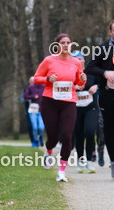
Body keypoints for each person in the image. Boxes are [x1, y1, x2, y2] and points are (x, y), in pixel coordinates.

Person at [34, 33, 87, 182]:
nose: (66, 45)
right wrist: (47, 79)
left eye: (68, 43)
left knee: (67, 135)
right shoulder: (49, 60)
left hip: (69, 101)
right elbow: (36, 78)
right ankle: (49, 150)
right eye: (63, 43)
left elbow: (80, 81)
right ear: (57, 46)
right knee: (53, 137)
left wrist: (83, 79)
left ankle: (62, 171)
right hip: (50, 101)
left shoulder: (76, 62)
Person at [84, 19, 114, 179]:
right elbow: (89, 67)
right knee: (109, 130)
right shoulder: (102, 48)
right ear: (110, 32)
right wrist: (105, 73)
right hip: (107, 94)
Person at [71, 49, 100, 173]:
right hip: (76, 108)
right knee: (79, 135)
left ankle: (89, 162)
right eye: (76, 59)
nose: (78, 61)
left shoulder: (91, 72)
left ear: (83, 60)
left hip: (91, 107)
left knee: (89, 131)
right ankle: (80, 162)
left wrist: (96, 86)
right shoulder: (70, 73)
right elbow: (61, 86)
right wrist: (74, 87)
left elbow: (103, 83)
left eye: (80, 59)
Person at [23, 77, 45, 147]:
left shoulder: (44, 87)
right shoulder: (30, 87)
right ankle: (36, 141)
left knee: (41, 127)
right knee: (34, 127)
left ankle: (40, 137)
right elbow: (25, 96)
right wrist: (33, 96)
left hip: (42, 110)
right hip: (33, 110)